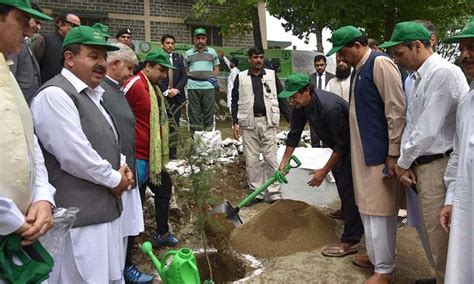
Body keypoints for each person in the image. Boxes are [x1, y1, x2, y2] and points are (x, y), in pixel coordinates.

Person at [31, 26, 133, 283]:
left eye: (103, 57)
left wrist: (122, 166)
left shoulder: (94, 95)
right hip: (81, 224)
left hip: (105, 215)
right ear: (69, 58)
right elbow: (75, 155)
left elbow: (108, 140)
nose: (101, 63)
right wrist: (115, 179)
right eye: (93, 55)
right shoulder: (55, 95)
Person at [380, 21, 469, 284]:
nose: (397, 59)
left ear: (417, 46)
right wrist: (406, 164)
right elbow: (413, 124)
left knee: (441, 235)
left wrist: (402, 163)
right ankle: (441, 276)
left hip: (440, 166)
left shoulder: (443, 73)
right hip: (423, 165)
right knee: (431, 232)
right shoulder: (418, 77)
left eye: (399, 53)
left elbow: (428, 130)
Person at [327, 26, 406, 284]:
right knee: (367, 208)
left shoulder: (380, 63)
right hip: (362, 154)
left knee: (380, 210)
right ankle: (375, 256)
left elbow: (396, 109)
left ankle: (385, 269)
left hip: (378, 154)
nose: (340, 58)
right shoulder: (360, 70)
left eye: (343, 52)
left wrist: (393, 152)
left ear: (357, 46)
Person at [278, 73, 364, 258]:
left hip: (354, 149)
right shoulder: (302, 105)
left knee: (349, 189)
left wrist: (323, 171)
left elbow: (343, 145)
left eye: (294, 96)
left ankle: (351, 240)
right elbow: (295, 132)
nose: (292, 101)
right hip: (338, 147)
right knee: (342, 182)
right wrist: (284, 161)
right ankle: (346, 212)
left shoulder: (328, 108)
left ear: (306, 91)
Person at [0, 0, 55, 250]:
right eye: (22, 21)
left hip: (23, 229)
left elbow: (28, 142)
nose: (30, 30)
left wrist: (43, 197)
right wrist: (8, 217)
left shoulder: (7, 72)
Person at [101, 42, 152, 283]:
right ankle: (122, 270)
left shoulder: (116, 89)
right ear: (114, 64)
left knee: (128, 227)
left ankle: (123, 268)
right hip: (117, 173)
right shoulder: (103, 91)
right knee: (118, 231)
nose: (131, 73)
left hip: (127, 168)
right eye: (129, 68)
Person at [122, 49, 180, 249]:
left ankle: (162, 233)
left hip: (152, 156)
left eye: (165, 71)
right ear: (147, 67)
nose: (163, 75)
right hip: (137, 155)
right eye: (160, 70)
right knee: (134, 204)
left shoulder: (154, 89)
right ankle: (128, 254)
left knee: (164, 187)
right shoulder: (135, 85)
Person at [231, 47, 291, 203]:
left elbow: (281, 97)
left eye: (261, 57)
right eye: (255, 57)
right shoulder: (241, 77)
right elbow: (234, 100)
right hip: (248, 123)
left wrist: (291, 119)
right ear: (249, 59)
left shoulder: (271, 75)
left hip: (268, 122)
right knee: (251, 160)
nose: (258, 60)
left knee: (271, 159)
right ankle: (256, 193)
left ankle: (274, 193)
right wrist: (234, 122)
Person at [441, 19, 474, 284]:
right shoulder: (467, 101)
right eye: (462, 49)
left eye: (472, 47)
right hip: (466, 209)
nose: (465, 55)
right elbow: (458, 154)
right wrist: (451, 198)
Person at [184, 27, 220, 134]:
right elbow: (185, 69)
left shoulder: (212, 52)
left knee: (209, 114)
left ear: (206, 39)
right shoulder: (188, 53)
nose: (200, 40)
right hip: (193, 87)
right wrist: (193, 76)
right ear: (194, 39)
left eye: (203, 38)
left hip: (208, 87)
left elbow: (216, 68)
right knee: (194, 115)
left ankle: (209, 141)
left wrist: (210, 79)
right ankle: (197, 142)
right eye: (198, 38)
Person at [158, 33, 188, 160]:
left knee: (174, 125)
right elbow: (156, 77)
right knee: (161, 124)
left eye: (172, 43)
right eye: (167, 43)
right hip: (163, 96)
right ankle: (160, 150)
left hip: (176, 97)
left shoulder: (178, 58)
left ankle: (172, 152)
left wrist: (177, 89)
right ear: (162, 45)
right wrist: (166, 91)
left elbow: (184, 76)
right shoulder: (158, 58)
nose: (170, 45)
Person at [7, 2, 43, 105]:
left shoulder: (24, 42)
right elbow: (9, 77)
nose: (38, 27)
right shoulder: (12, 44)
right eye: (35, 21)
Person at [30, 11, 80, 84]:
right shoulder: (45, 40)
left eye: (79, 27)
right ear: (60, 24)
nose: (76, 30)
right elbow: (30, 66)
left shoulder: (75, 46)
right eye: (74, 26)